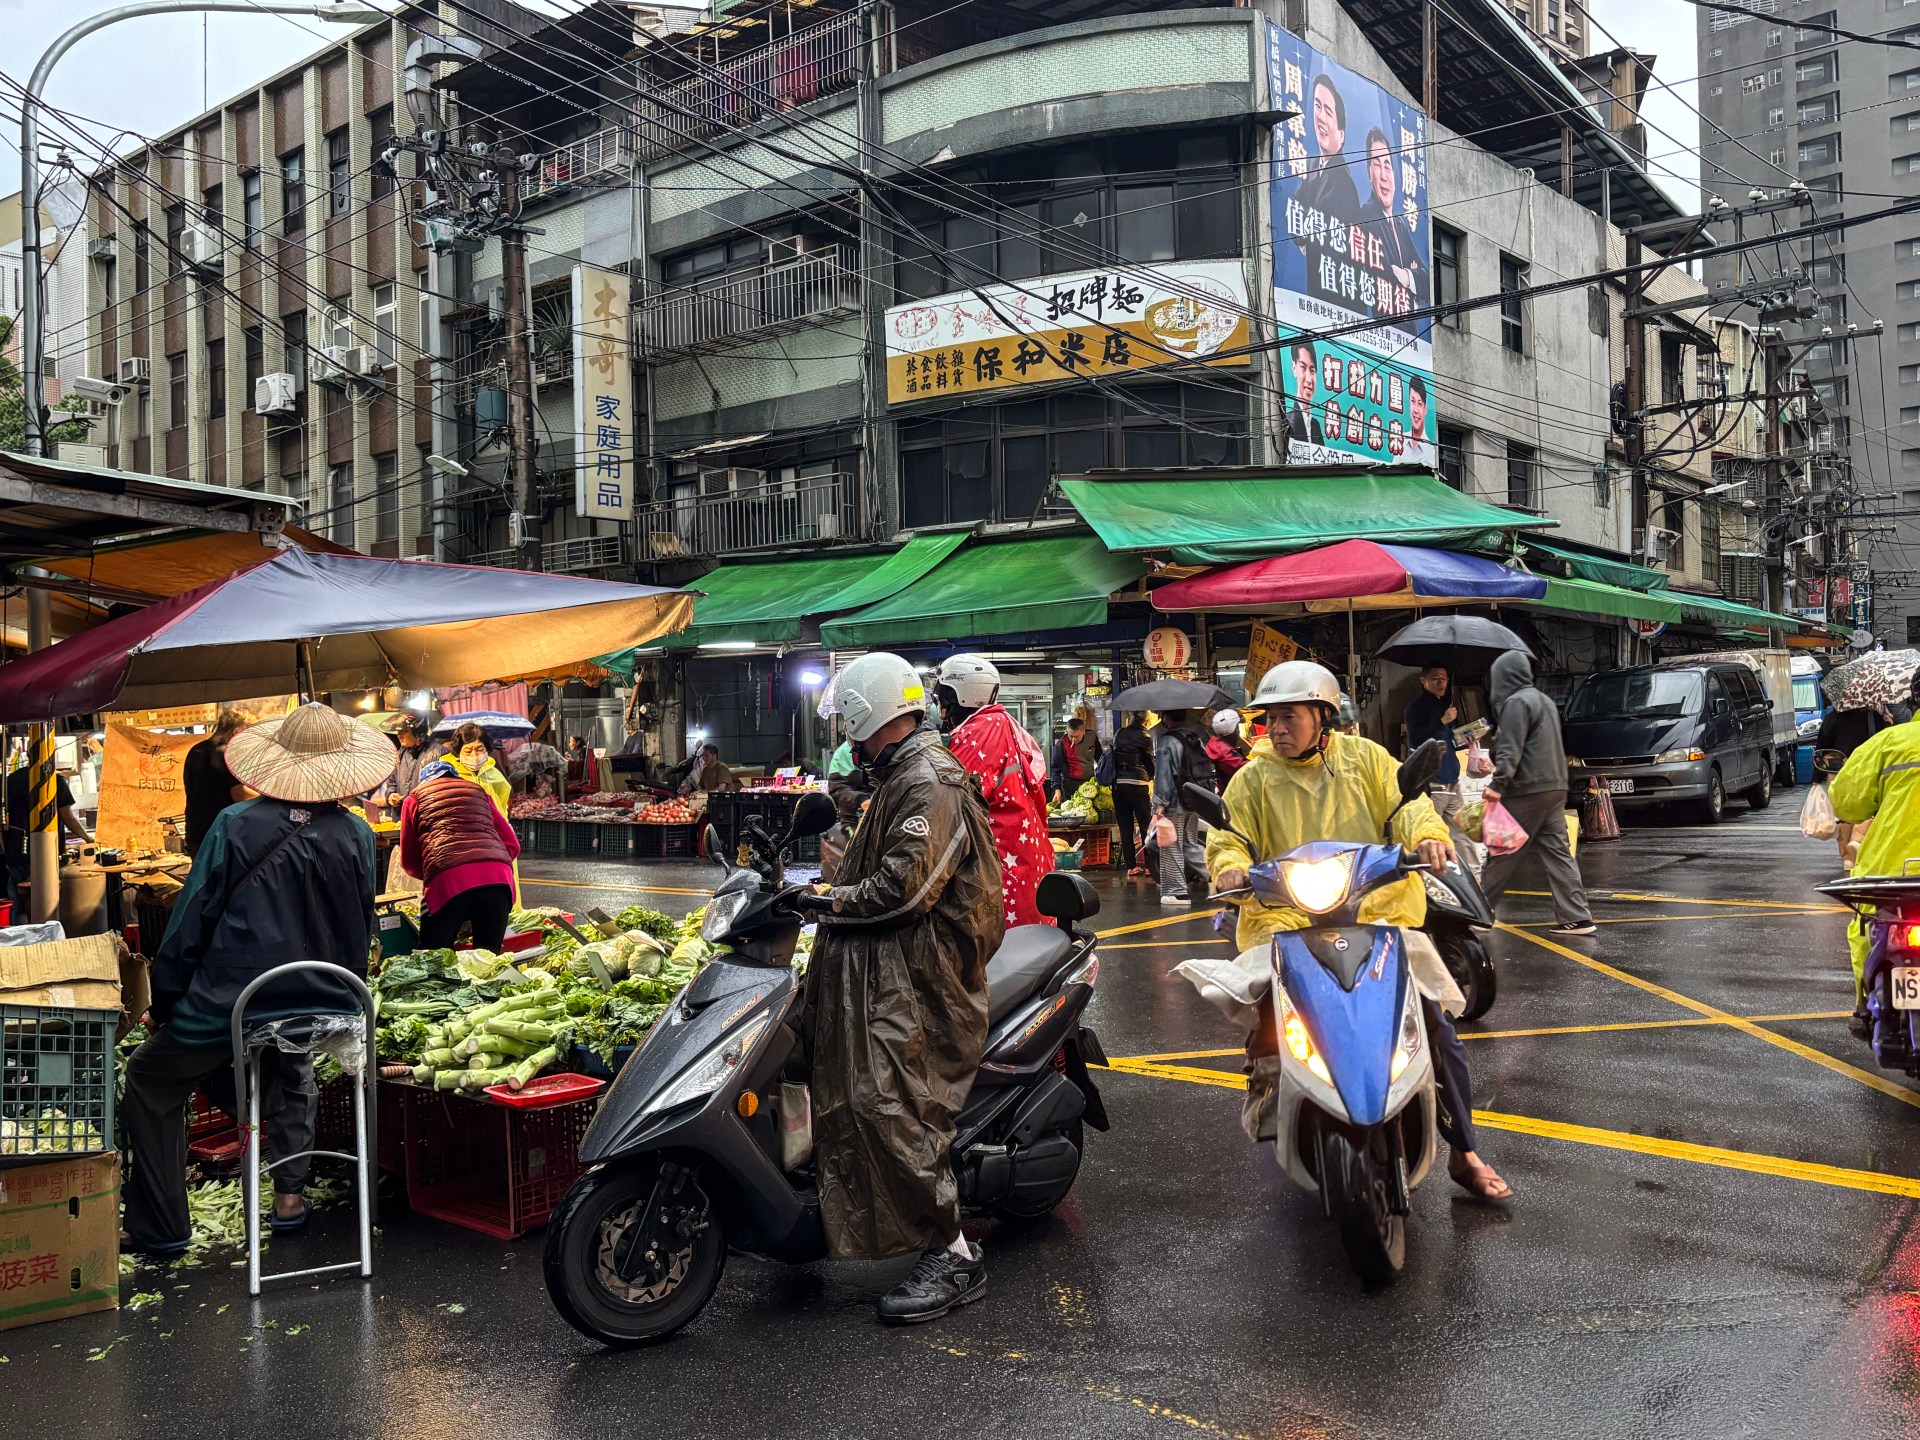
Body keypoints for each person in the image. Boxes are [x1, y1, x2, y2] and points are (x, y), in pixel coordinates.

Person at [1204, 661, 1512, 1201]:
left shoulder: (1366, 759)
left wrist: (1429, 838)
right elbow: (1228, 835)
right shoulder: (1251, 778)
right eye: (1270, 719)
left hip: (1376, 914)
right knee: (1266, 1015)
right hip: (1287, 920)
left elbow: (1408, 805)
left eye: (1289, 717)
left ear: (1323, 716)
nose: (1276, 729)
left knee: (1433, 1024)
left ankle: (1464, 1152)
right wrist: (1228, 863)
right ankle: (1268, 1079)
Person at [120, 703, 387, 1253]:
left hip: (234, 1000)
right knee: (292, 1060)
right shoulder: (359, 835)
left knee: (150, 1076)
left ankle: (160, 1228)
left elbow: (191, 921)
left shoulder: (233, 825)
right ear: (341, 768)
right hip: (328, 998)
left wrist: (165, 1002)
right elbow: (364, 924)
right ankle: (290, 1197)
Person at [803, 652, 1002, 1323]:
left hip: (925, 977)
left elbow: (907, 888)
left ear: (871, 713)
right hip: (890, 966)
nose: (847, 740)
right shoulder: (899, 774)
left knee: (884, 1102)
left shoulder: (930, 780)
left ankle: (955, 1256)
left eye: (850, 724)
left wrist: (828, 901)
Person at [1830, 669, 1920, 1039]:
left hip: (1893, 869)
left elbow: (1847, 802)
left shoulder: (1889, 742)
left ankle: (1864, 1005)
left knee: (1866, 928)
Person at [1479, 652, 1595, 937]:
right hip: (1555, 787)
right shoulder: (1543, 700)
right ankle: (1577, 917)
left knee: (1501, 851)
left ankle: (1476, 913)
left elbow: (1511, 749)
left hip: (1526, 789)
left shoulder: (1516, 703)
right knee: (1558, 854)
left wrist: (1497, 784)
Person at [937, 655, 1055, 929]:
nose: (941, 707)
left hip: (1002, 868)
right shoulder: (1002, 724)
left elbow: (946, 801)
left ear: (958, 696)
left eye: (944, 698)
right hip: (1025, 864)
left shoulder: (977, 734)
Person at [400, 752, 522, 952]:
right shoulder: (479, 792)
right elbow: (512, 845)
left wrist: (432, 874)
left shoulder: (414, 798)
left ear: (424, 781)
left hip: (449, 880)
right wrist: (488, 864)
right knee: (487, 959)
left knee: (434, 958)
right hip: (499, 880)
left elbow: (410, 860)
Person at [1403, 664, 1479, 875]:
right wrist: (1441, 721)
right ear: (1423, 680)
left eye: (1444, 679)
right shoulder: (1416, 707)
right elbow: (1417, 739)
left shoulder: (1444, 706)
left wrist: (1468, 737)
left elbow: (1448, 740)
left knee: (1461, 832)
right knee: (1426, 832)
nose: (1441, 683)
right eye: (1435, 678)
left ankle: (1475, 876)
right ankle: (1420, 877)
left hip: (1451, 779)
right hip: (1433, 780)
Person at [1356, 128, 1427, 317]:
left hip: (1411, 337)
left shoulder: (1400, 223)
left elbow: (1428, 281)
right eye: (1377, 165)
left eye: (1387, 165)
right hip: (1383, 330)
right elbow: (1382, 272)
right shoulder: (1365, 217)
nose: (1383, 175)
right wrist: (1411, 278)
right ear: (1369, 172)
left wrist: (1407, 276)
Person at [4, 752, 91, 903]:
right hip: (46, 854)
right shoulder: (54, 781)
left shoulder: (10, 781)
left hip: (15, 852)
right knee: (46, 901)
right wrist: (88, 838)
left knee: (19, 903)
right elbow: (68, 817)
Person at [1151, 708, 1214, 907]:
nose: (1161, 719)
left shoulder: (1167, 741)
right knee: (1189, 844)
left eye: (1162, 715)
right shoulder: (1194, 737)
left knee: (1170, 845)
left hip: (1174, 803)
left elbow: (1163, 775)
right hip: (1193, 800)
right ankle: (1222, 875)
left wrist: (1159, 803)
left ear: (1168, 716)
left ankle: (1176, 892)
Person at [1815, 702, 1889, 867]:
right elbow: (1881, 742)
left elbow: (1821, 748)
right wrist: (1886, 723)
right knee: (1866, 810)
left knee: (1842, 815)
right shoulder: (1872, 717)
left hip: (1837, 771)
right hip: (1865, 770)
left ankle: (1846, 857)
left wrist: (1816, 776)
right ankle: (1859, 845)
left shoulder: (1831, 719)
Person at [182, 710, 253, 854]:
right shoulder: (224, 754)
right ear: (237, 731)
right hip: (220, 837)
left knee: (203, 876)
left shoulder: (196, 750)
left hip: (196, 834)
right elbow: (241, 795)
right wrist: (269, 796)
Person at [426, 723, 513, 819]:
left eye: (479, 749)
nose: (474, 755)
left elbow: (503, 807)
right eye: (468, 751)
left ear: (487, 749)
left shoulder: (496, 776)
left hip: (490, 830)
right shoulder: (446, 773)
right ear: (458, 752)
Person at [1110, 711, 1156, 879]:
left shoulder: (1119, 733)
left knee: (1125, 827)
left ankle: (1131, 867)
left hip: (1118, 786)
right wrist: (1151, 776)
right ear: (1147, 721)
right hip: (1138, 784)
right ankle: (1150, 866)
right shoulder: (1145, 736)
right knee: (1145, 826)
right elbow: (1150, 761)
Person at [365, 717, 426, 825]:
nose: (399, 735)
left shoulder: (435, 753)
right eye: (398, 732)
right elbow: (392, 783)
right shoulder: (401, 754)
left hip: (421, 817)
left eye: (403, 731)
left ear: (417, 732)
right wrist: (391, 796)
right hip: (399, 818)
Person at [1049, 716, 1100, 799]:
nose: (1073, 740)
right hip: (1070, 785)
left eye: (1077, 736)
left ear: (1083, 732)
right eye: (1071, 736)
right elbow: (1055, 769)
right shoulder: (1060, 745)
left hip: (1090, 782)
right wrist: (1057, 789)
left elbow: (1099, 757)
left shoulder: (1092, 736)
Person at [1287, 342, 1326, 449]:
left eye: (1312, 370)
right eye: (1303, 367)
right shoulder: (1288, 421)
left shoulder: (1316, 426)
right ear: (1294, 368)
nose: (1309, 379)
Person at [1206, 708, 1250, 788]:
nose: (1239, 731)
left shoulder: (1215, 745)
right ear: (1233, 730)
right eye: (1237, 728)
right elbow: (1248, 771)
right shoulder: (1225, 753)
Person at [1402, 379, 1436, 466]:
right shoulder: (1401, 441)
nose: (1416, 410)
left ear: (1425, 409)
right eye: (1413, 401)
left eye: (1420, 404)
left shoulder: (1430, 449)